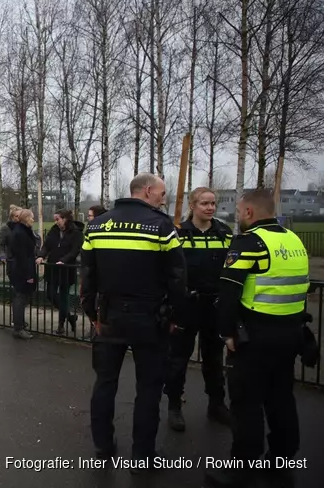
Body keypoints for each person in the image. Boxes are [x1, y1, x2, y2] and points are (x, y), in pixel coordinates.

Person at [80, 172, 188, 472]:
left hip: (109, 316)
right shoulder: (161, 225)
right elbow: (177, 277)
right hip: (150, 319)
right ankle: (143, 455)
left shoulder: (97, 225)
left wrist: (92, 314)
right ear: (148, 191)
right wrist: (176, 316)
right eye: (162, 193)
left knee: (104, 383)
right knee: (149, 387)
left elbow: (87, 275)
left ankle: (103, 446)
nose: (164, 198)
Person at [205, 189, 310, 488]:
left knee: (246, 403)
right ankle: (281, 458)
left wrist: (227, 333)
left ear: (249, 212)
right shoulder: (293, 240)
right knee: (281, 398)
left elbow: (228, 293)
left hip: (254, 337)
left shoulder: (249, 242)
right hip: (289, 333)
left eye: (239, 211)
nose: (237, 216)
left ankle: (241, 469)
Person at [164, 187, 234, 431]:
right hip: (186, 305)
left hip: (214, 305)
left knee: (214, 358)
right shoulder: (178, 233)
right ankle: (174, 405)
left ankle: (216, 404)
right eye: (205, 203)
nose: (210, 208)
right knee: (178, 358)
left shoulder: (224, 233)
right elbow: (169, 271)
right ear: (192, 206)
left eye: (213, 203)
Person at [36, 209, 84, 335]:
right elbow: (47, 245)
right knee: (50, 294)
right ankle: (70, 317)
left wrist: (64, 260)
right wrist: (41, 255)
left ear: (65, 219)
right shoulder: (54, 230)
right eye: (55, 219)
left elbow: (75, 250)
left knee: (64, 296)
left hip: (66, 269)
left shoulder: (76, 233)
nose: (56, 222)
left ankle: (61, 325)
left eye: (58, 219)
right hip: (53, 267)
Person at [8, 208, 37, 340]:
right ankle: (18, 327)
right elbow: (22, 256)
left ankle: (20, 324)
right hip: (22, 270)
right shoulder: (20, 233)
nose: (33, 219)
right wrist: (29, 275)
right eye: (31, 217)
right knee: (20, 298)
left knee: (22, 298)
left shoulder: (22, 231)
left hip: (22, 268)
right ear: (26, 218)